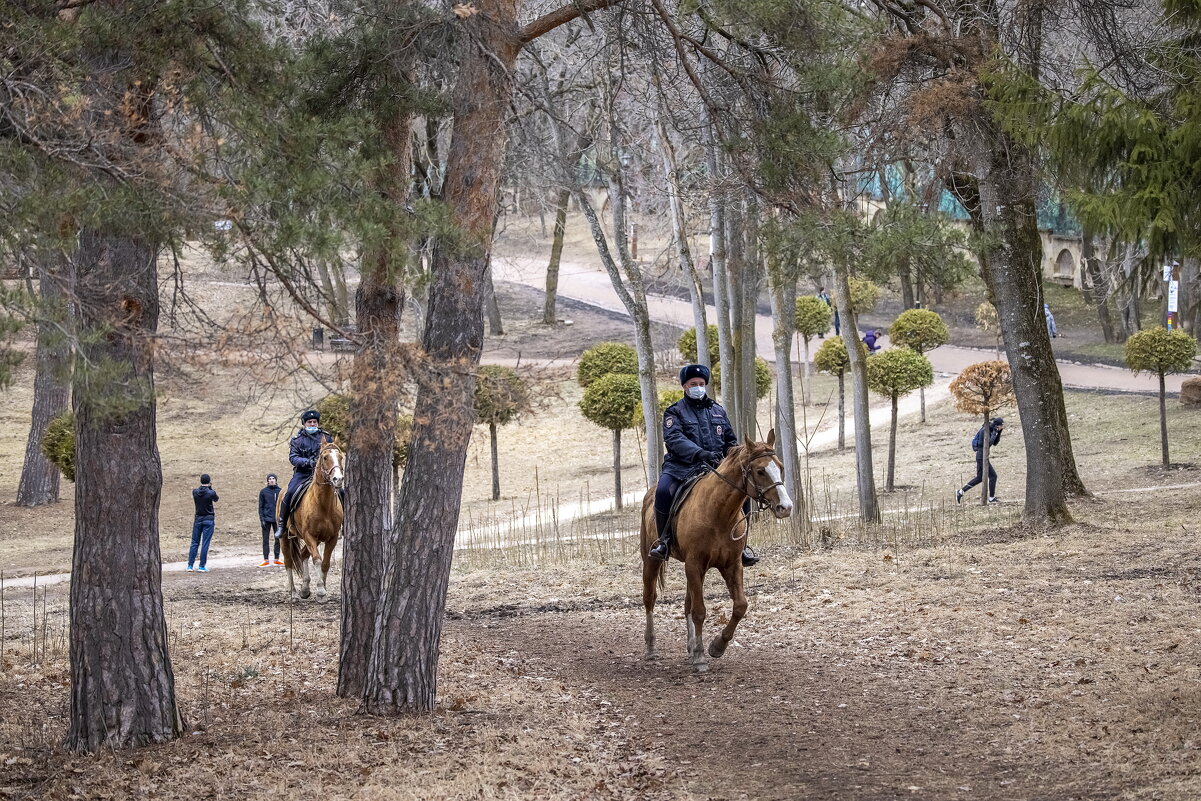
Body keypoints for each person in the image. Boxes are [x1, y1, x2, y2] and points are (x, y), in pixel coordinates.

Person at [647, 364, 759, 567]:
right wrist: (699, 453)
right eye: (693, 384)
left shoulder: (717, 410)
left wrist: (734, 456)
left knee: (744, 494)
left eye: (701, 384)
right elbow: (674, 439)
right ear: (684, 386)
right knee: (663, 492)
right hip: (681, 468)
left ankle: (741, 546)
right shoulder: (674, 412)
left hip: (715, 469)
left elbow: (729, 441)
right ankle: (664, 541)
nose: (698, 387)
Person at [278, 409, 335, 538]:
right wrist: (308, 462)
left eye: (315, 422)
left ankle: (342, 524)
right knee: (290, 492)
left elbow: (330, 454)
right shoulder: (297, 440)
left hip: (323, 474)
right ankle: (282, 525)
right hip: (303, 474)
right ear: (304, 424)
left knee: (341, 492)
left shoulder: (326, 437)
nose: (312, 424)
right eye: (310, 422)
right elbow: (293, 457)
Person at [956, 417, 1004, 504]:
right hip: (981, 457)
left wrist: (999, 432)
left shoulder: (993, 430)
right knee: (993, 476)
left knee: (979, 478)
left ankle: (960, 492)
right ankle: (991, 498)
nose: (1002, 427)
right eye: (1001, 426)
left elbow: (995, 443)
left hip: (983, 456)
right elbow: (988, 443)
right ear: (997, 425)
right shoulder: (985, 430)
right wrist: (995, 433)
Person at [188, 474, 219, 572]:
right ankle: (201, 565)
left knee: (194, 542)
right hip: (208, 519)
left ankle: (190, 565)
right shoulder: (211, 493)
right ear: (209, 481)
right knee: (205, 543)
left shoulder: (195, 492)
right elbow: (216, 499)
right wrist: (210, 487)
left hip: (198, 519)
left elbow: (199, 491)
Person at [258, 474, 283, 567]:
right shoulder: (263, 492)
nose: (271, 480)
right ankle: (266, 559)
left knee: (278, 539)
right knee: (265, 539)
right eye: (270, 479)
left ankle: (277, 558)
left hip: (277, 519)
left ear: (276, 480)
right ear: (267, 481)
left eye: (273, 479)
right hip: (267, 519)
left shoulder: (280, 491)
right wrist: (262, 519)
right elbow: (260, 507)